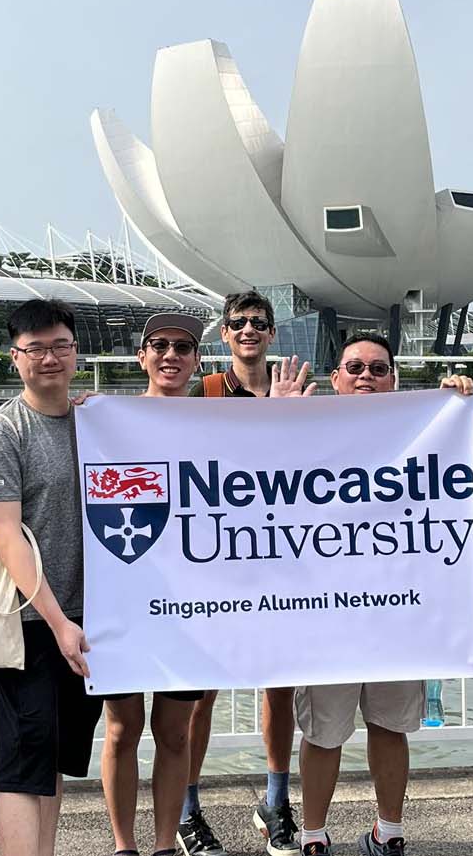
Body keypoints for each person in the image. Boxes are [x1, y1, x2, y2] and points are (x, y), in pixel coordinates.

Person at [289, 332, 473, 856]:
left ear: (393, 377)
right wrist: (273, 415)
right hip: (326, 610)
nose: (366, 376)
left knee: (391, 726)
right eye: (355, 368)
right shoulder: (302, 431)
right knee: (324, 732)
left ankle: (389, 830)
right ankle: (312, 835)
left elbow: (461, 468)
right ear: (336, 378)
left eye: (377, 368)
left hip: (398, 612)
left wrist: (454, 400)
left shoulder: (424, 429)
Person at [0, 299, 105, 856]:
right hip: (27, 623)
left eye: (60, 346)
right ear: (14, 357)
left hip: (87, 617)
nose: (50, 358)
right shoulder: (1, 432)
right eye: (36, 349)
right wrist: (56, 622)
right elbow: (4, 536)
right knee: (24, 761)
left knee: (53, 757)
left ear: (75, 352)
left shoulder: (93, 423)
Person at [181, 291, 303, 856]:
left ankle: (276, 801)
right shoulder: (200, 391)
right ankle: (186, 809)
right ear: (224, 335)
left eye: (259, 323)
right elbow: (169, 442)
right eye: (239, 324)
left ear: (272, 334)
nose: (249, 330)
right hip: (212, 559)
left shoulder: (300, 391)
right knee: (199, 692)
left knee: (279, 685)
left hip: (277, 558)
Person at [100, 313, 208, 856]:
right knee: (122, 728)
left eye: (182, 347)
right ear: (141, 356)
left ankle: (166, 843)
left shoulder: (215, 421)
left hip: (191, 604)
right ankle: (124, 845)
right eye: (159, 345)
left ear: (196, 359)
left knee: (175, 731)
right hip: (123, 597)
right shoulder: (106, 418)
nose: (170, 355)